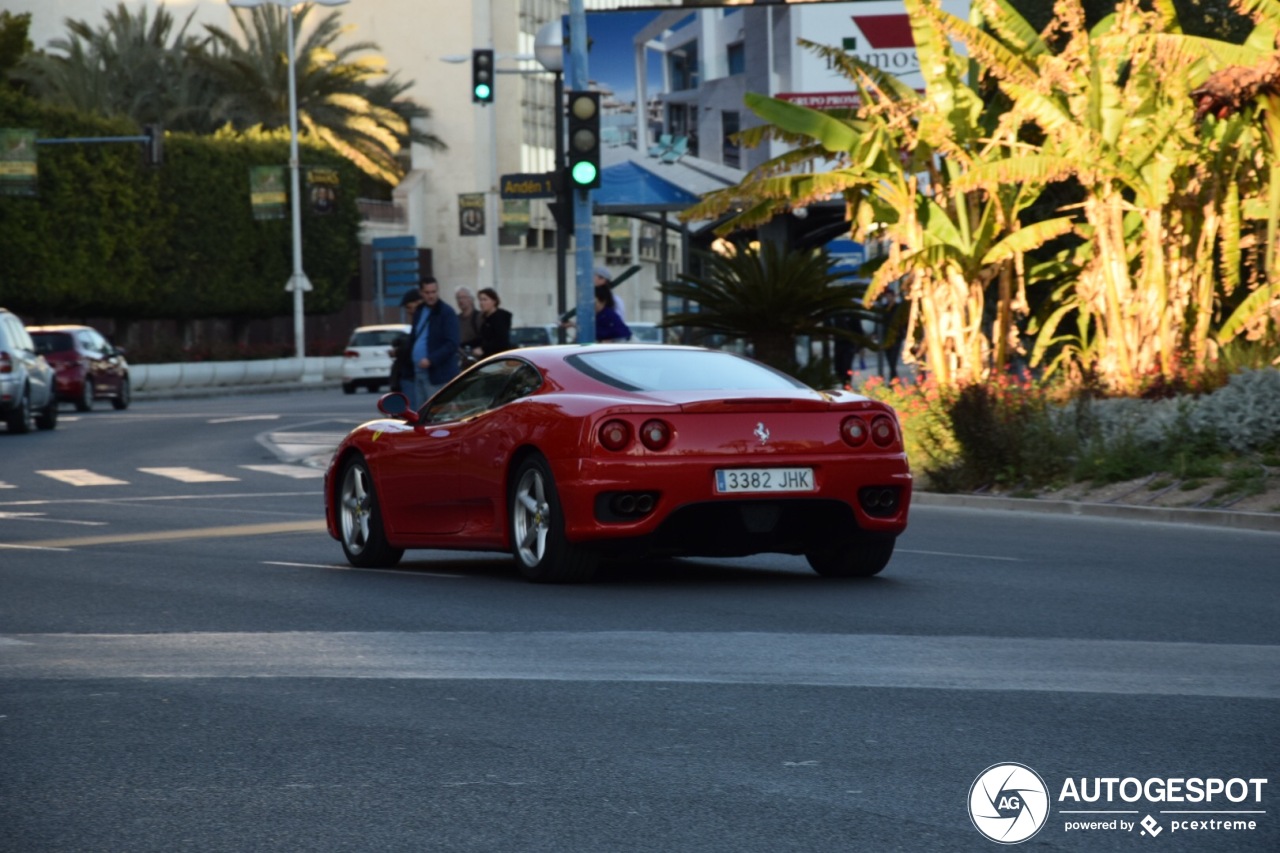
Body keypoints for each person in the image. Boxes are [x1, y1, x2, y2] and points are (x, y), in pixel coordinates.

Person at [408, 276, 461, 408]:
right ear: (421, 293)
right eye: (427, 292)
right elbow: (415, 336)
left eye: (434, 292)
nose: (431, 296)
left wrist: (431, 359)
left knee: (435, 412)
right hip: (419, 370)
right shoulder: (420, 311)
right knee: (420, 412)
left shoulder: (446, 312)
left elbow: (452, 343)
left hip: (437, 373)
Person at [389, 288, 422, 394]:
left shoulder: (421, 320)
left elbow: (413, 345)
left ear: (418, 303)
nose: (408, 311)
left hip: (413, 371)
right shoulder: (416, 320)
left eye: (409, 307)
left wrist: (398, 351)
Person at [472, 287, 513, 358]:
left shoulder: (499, 318)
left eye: (485, 300)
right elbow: (482, 338)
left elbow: (501, 341)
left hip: (498, 358)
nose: (481, 303)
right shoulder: (485, 318)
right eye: (480, 300)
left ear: (494, 301)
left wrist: (483, 349)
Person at [878, 288, 908, 381]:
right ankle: (894, 377)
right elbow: (880, 322)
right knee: (889, 358)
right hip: (886, 336)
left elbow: (904, 321)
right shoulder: (884, 308)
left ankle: (893, 377)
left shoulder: (898, 308)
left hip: (896, 336)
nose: (889, 298)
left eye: (890, 296)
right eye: (887, 296)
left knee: (893, 359)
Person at [455, 286, 483, 360]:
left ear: (471, 299)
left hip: (476, 360)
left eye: (463, 297)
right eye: (458, 298)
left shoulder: (479, 317)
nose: (460, 300)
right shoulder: (456, 319)